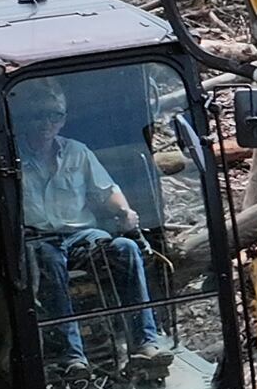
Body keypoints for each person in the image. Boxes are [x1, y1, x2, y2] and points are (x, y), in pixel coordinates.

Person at [9, 84, 166, 371]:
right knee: (48, 258)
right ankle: (73, 356)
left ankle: (145, 343)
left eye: (54, 116)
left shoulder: (77, 152)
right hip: (36, 239)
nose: (47, 123)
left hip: (80, 236)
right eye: (40, 116)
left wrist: (125, 211)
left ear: (64, 119)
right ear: (26, 119)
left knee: (125, 249)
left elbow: (107, 191)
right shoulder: (12, 157)